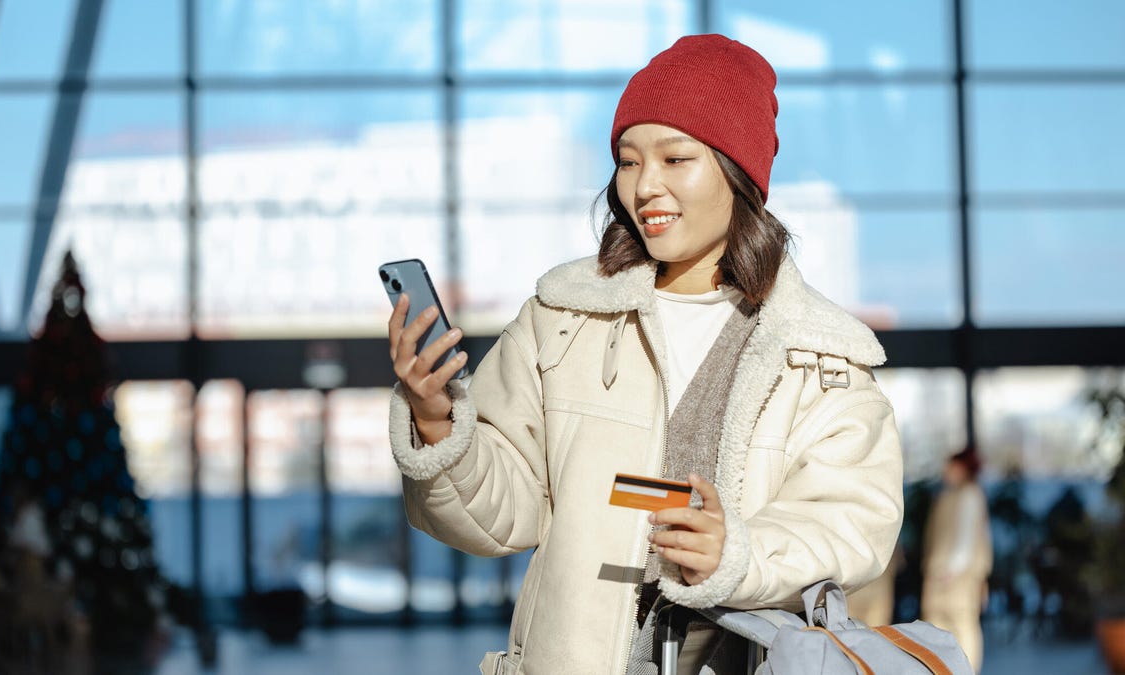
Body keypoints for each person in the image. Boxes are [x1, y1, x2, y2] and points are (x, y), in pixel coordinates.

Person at [387, 34, 904, 674]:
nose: (645, 187)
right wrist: (437, 420)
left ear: (738, 173)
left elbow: (854, 525)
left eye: (675, 158)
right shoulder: (562, 319)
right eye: (628, 162)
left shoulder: (819, 355)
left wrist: (739, 553)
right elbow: (501, 517)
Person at [921, 447, 993, 673]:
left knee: (962, 626)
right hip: (941, 574)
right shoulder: (947, 496)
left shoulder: (970, 494)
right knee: (937, 627)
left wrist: (953, 568)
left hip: (955, 577)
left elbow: (967, 536)